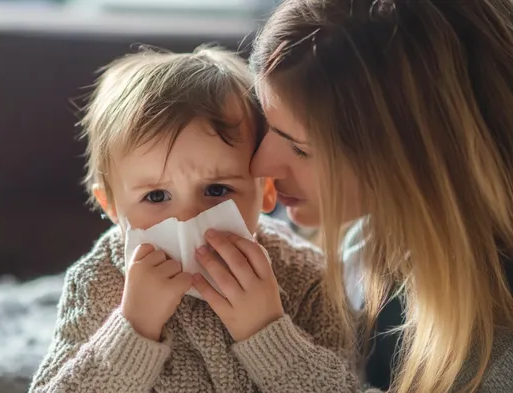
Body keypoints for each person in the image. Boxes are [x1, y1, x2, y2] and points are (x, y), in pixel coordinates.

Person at [191, 0, 513, 392]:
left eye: (301, 148)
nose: (258, 165)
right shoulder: (360, 239)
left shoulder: (498, 351)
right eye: (268, 126)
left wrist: (269, 341)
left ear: (416, 160)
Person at [28, 46, 350, 393]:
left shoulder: (308, 278)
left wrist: (267, 331)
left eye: (216, 190)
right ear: (113, 209)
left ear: (266, 190)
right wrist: (132, 329)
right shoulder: (99, 282)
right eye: (155, 196)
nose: (187, 217)